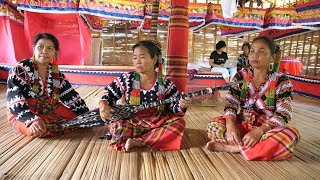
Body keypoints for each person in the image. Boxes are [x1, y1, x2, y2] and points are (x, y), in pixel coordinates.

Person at [205, 36, 300, 161]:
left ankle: (234, 148)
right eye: (252, 51)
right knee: (213, 125)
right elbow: (231, 103)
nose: (255, 55)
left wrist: (260, 131)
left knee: (290, 134)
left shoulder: (281, 80)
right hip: (242, 125)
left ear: (271, 57)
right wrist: (230, 125)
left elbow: (284, 113)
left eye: (261, 51)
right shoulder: (241, 76)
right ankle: (257, 149)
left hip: (267, 130)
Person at [99, 40, 191, 152]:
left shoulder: (165, 82)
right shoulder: (127, 79)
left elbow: (174, 109)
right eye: (134, 57)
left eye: (142, 57)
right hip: (131, 121)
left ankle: (137, 141)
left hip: (157, 122)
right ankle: (152, 138)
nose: (137, 61)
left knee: (179, 124)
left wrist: (181, 104)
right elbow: (108, 94)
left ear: (155, 59)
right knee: (117, 125)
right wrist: (103, 105)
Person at [7, 33, 89, 137]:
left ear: (55, 52)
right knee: (38, 130)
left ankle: (48, 122)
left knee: (79, 121)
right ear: (34, 49)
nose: (44, 51)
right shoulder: (20, 69)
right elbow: (14, 100)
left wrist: (86, 115)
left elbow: (70, 95)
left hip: (49, 109)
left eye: (50, 48)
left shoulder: (55, 73)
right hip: (23, 112)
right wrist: (31, 120)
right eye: (40, 47)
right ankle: (38, 124)